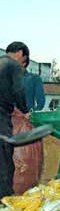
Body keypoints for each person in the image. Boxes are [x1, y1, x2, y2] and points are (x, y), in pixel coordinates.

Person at [0, 42, 29, 199]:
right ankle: (4, 200)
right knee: (4, 160)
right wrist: (25, 109)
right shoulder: (13, 65)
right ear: (20, 53)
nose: (22, 66)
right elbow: (19, 90)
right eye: (24, 62)